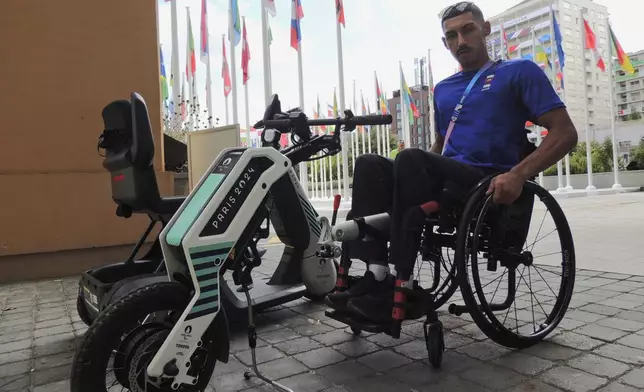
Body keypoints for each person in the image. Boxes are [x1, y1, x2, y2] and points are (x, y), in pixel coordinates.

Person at [325, 1, 578, 323]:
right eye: (452, 35)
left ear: (485, 30)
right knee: (369, 163)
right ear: (445, 43)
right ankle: (377, 275)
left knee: (410, 158)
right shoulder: (444, 89)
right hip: (447, 176)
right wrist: (415, 170)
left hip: (483, 180)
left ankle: (405, 284)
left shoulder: (517, 72)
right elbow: (441, 145)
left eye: (468, 30)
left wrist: (517, 175)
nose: (461, 41)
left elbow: (565, 133)